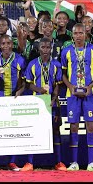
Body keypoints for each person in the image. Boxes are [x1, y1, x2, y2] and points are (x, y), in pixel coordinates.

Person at [61, 23, 93, 171]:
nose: (78, 36)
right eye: (76, 33)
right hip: (72, 95)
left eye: (81, 33)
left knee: (90, 126)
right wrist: (71, 87)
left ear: (86, 33)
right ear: (72, 35)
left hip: (89, 95)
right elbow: (63, 74)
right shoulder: (66, 51)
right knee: (73, 127)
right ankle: (74, 162)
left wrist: (90, 86)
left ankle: (91, 162)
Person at [22, 37, 65, 171]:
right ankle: (30, 163)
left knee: (56, 131)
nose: (45, 50)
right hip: (37, 103)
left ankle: (59, 162)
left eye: (48, 47)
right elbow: (28, 84)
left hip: (53, 103)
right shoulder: (32, 64)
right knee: (34, 131)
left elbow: (57, 85)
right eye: (43, 47)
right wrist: (39, 90)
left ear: (51, 49)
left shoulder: (56, 64)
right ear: (39, 48)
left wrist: (52, 100)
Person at [0, 34, 26, 171]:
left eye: (9, 43)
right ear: (0, 45)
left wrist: (19, 92)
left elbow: (24, 82)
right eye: (3, 43)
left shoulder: (20, 59)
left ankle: (12, 162)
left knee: (13, 132)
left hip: (13, 100)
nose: (6, 46)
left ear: (12, 44)